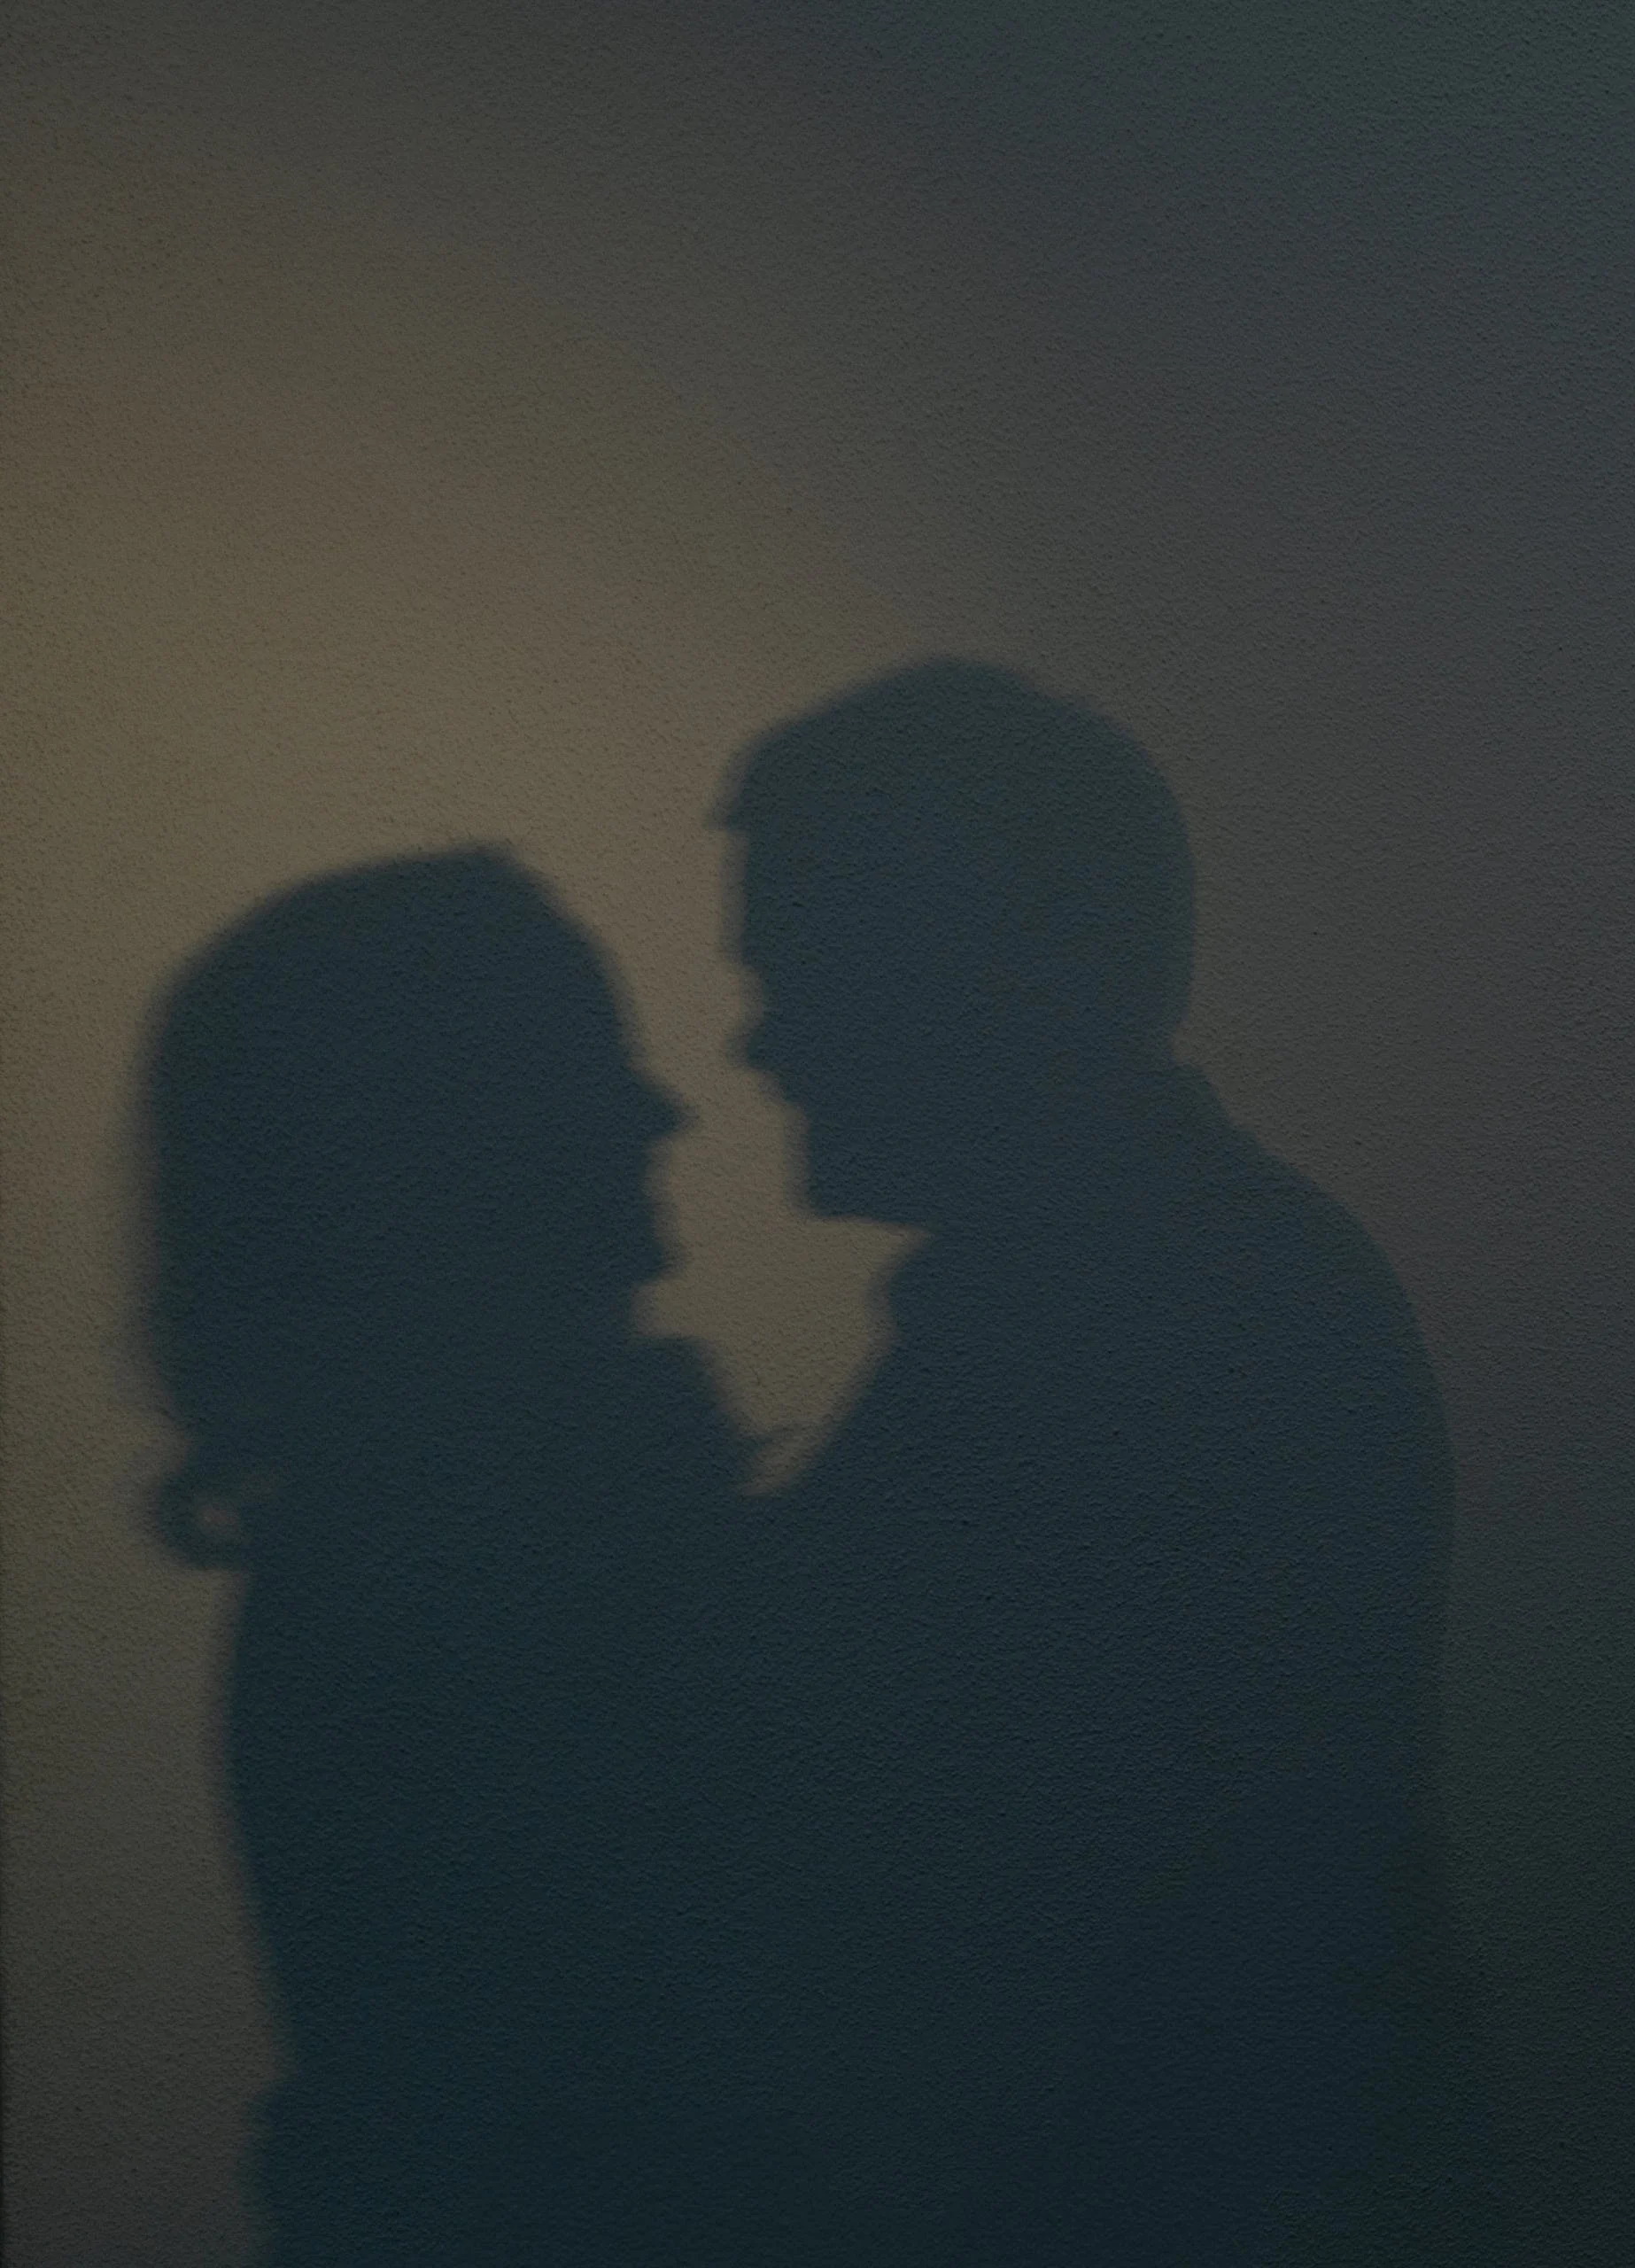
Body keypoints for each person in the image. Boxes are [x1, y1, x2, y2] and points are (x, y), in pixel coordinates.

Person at [719, 661, 1494, 2264]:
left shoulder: (1118, 1332)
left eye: (805, 963)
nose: (760, 1041)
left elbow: (947, 1907)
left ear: (972, 965)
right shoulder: (1204, 1282)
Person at [141, 849, 756, 2265]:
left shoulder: (384, 1559)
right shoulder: (488, 1585)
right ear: (458, 1143)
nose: (664, 1112)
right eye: (595, 1066)